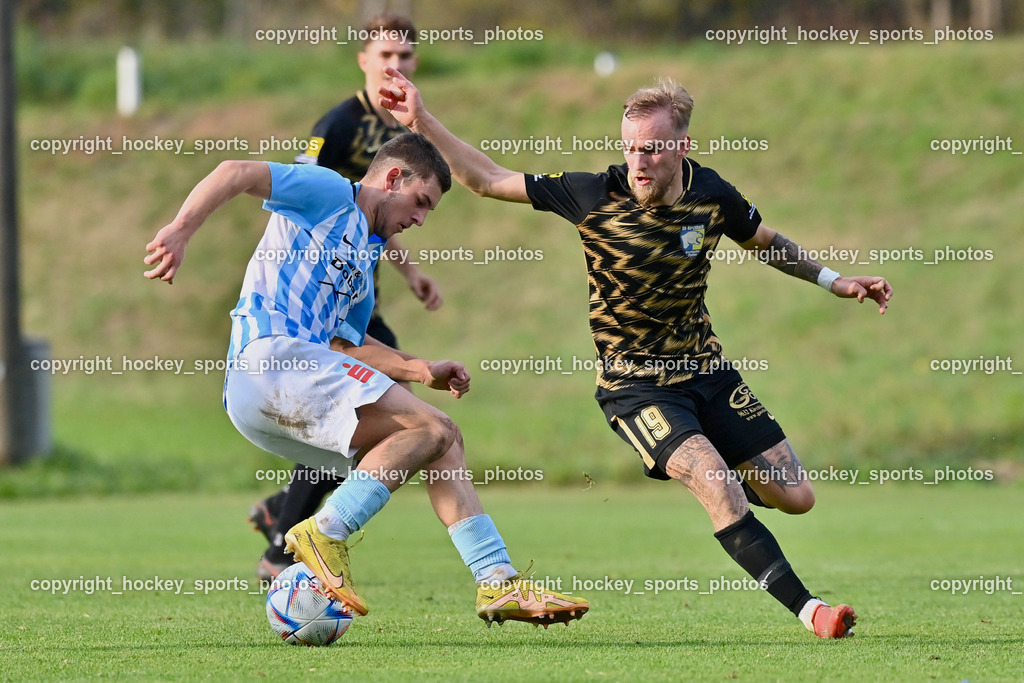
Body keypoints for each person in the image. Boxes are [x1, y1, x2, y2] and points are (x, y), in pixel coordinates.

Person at [377, 68, 894, 638]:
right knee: (716, 486)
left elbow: (764, 240)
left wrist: (832, 279)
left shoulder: (712, 194)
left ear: (682, 146)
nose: (637, 162)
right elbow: (487, 178)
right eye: (629, 148)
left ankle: (722, 478)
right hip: (635, 385)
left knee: (795, 495)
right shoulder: (594, 194)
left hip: (708, 372)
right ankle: (812, 610)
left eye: (650, 149)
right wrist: (420, 120)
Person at [143, 132, 589, 626]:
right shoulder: (331, 192)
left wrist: (422, 368)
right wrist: (181, 229)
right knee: (432, 428)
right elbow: (236, 171)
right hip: (270, 360)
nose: (419, 220)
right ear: (393, 178)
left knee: (441, 440)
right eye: (420, 203)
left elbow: (347, 346)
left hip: (275, 389)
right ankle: (324, 532)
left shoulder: (365, 255)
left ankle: (496, 581)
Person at [249, 13, 443, 582]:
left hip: (360, 297)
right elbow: (306, 197)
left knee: (388, 400)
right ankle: (284, 542)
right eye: (386, 56)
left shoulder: (408, 134)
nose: (396, 66)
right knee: (375, 408)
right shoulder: (336, 125)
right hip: (317, 302)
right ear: (364, 60)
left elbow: (386, 219)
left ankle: (283, 516)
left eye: (406, 58)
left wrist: (409, 274)